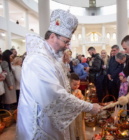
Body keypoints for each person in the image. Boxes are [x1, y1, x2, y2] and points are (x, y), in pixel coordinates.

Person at [17, 9, 101, 140]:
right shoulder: (38, 59)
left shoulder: (50, 57)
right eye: (66, 42)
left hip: (49, 121)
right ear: (52, 37)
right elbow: (54, 95)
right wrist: (88, 107)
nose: (67, 46)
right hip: (39, 124)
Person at [69, 73, 86, 140]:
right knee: (73, 128)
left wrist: (81, 98)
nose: (77, 86)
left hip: (79, 114)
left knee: (80, 127)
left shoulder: (79, 91)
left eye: (78, 84)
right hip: (72, 114)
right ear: (69, 83)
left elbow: (83, 100)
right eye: (75, 84)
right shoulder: (67, 92)